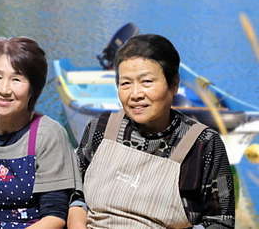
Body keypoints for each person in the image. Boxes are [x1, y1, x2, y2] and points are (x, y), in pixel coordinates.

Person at [68, 34, 235, 228]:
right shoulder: (101, 128)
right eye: (125, 83)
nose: (136, 94)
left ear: (173, 85)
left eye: (146, 82)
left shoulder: (203, 144)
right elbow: (74, 191)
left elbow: (221, 222)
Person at [0, 37, 80, 228]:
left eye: (16, 79)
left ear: (33, 88)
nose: (4, 89)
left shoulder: (48, 134)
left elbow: (55, 216)